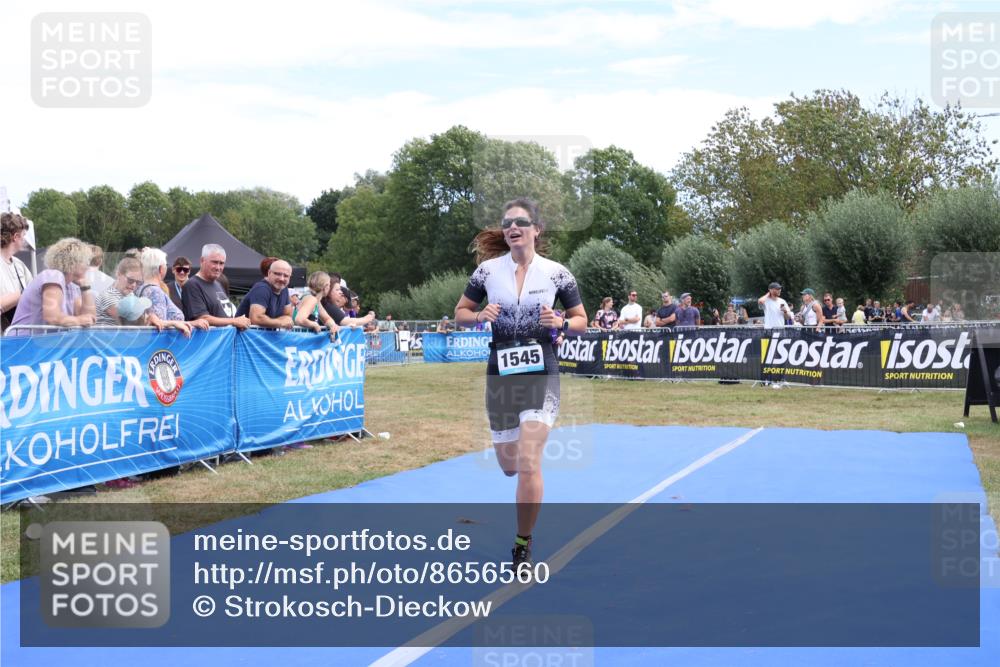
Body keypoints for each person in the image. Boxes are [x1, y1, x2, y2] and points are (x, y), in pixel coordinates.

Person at [453, 197, 586, 572]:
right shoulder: (487, 272)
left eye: (520, 222)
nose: (512, 227)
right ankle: (520, 511)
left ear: (536, 230)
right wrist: (479, 316)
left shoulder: (557, 274)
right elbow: (460, 313)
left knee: (529, 461)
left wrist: (559, 322)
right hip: (501, 373)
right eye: (507, 222)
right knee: (510, 465)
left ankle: (522, 543)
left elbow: (581, 321)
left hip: (541, 371)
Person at [9, 237, 96, 331]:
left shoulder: (70, 285)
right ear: (74, 262)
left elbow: (89, 318)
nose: (88, 267)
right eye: (86, 262)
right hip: (23, 342)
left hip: (39, 342)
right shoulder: (53, 275)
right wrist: (79, 320)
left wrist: (85, 287)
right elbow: (52, 317)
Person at [181, 243, 251, 329]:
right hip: (208, 341)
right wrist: (234, 321)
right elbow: (202, 319)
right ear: (202, 261)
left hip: (225, 340)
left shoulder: (218, 284)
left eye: (221, 263)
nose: (218, 267)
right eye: (214, 262)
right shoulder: (192, 285)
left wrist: (237, 323)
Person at [137, 248, 203, 336]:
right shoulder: (156, 292)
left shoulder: (140, 288)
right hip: (163, 347)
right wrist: (175, 323)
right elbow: (160, 328)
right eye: (166, 265)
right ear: (161, 268)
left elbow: (160, 322)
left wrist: (192, 323)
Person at [235, 258, 294, 329]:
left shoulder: (284, 289)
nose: (282, 279)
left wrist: (283, 320)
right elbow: (256, 318)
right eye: (277, 274)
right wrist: (280, 322)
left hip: (263, 337)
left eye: (286, 276)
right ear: (269, 273)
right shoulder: (262, 288)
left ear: (290, 277)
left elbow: (288, 316)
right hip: (246, 337)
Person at [0, 212, 33, 332]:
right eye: (24, 235)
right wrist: (22, 294)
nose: (25, 240)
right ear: (16, 237)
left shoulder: (19, 265)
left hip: (17, 340)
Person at [95, 256, 144, 325]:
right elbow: (127, 324)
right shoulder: (108, 296)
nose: (134, 285)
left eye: (138, 282)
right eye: (130, 280)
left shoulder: (130, 295)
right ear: (118, 274)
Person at [293, 270, 341, 335]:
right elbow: (299, 319)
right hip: (299, 340)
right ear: (325, 286)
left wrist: (333, 325)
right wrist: (314, 324)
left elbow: (327, 319)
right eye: (329, 285)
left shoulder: (316, 300)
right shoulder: (311, 299)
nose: (329, 288)